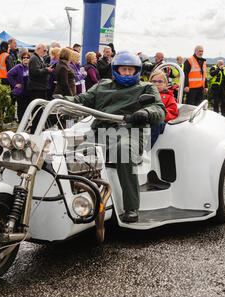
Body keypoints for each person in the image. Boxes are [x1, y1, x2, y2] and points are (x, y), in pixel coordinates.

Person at [63, 51, 166, 223]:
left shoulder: (146, 88)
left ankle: (131, 207)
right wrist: (63, 99)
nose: (127, 73)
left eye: (130, 70)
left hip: (130, 131)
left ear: (137, 71)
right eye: (123, 69)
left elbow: (159, 110)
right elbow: (83, 98)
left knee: (123, 150)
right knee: (67, 146)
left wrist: (146, 112)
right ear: (116, 69)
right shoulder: (102, 85)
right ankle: (71, 200)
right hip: (100, 130)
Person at [27, 43, 53, 132]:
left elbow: (39, 69)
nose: (45, 52)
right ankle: (34, 130)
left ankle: (37, 129)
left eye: (46, 51)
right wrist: (47, 70)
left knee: (40, 110)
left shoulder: (38, 58)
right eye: (44, 50)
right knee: (37, 111)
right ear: (38, 49)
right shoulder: (34, 58)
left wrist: (46, 68)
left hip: (40, 88)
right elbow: (35, 72)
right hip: (36, 88)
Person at [149, 70, 178, 146]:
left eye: (160, 82)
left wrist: (159, 115)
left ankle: (144, 149)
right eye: (154, 81)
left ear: (166, 84)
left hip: (159, 120)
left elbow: (172, 111)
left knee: (156, 123)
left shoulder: (169, 96)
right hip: (145, 118)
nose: (157, 84)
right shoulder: (145, 94)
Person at [7, 51, 31, 123]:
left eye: (27, 57)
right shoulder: (18, 67)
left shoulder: (30, 67)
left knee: (27, 107)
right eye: (24, 58)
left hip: (28, 91)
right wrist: (15, 84)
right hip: (20, 91)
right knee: (21, 107)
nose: (25, 59)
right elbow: (9, 74)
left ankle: (26, 120)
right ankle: (21, 121)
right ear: (21, 59)